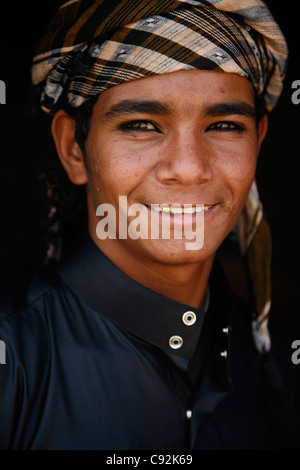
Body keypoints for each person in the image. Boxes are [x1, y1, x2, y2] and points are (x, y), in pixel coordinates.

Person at [0, 0, 299, 451]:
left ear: (257, 140)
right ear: (74, 150)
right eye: (141, 125)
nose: (188, 167)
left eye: (223, 125)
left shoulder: (272, 362)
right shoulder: (13, 366)